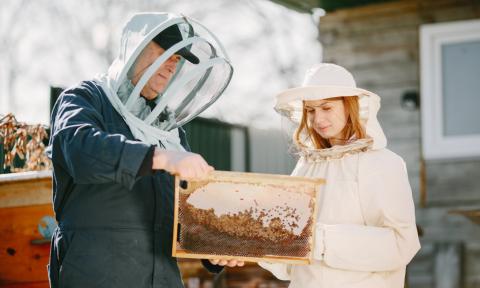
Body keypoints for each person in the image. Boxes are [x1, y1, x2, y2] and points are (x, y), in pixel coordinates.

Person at [46, 12, 242, 288]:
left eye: (176, 59)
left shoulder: (169, 131)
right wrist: (159, 157)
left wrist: (212, 249)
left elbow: (183, 214)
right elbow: (79, 149)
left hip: (161, 278)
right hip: (96, 273)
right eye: (163, 52)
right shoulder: (85, 98)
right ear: (134, 49)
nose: (170, 65)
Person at [259, 63, 421, 287]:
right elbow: (290, 265)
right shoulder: (306, 166)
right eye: (311, 110)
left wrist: (320, 240)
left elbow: (401, 245)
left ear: (349, 106)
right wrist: (256, 246)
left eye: (326, 108)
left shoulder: (383, 163)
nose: (317, 119)